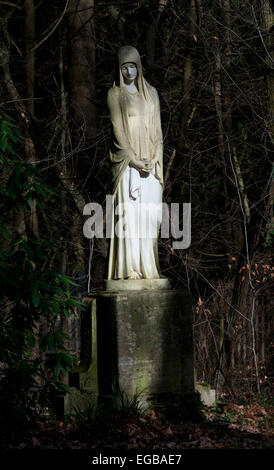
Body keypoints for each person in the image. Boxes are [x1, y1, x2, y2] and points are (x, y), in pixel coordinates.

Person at [107, 45, 164, 280]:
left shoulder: (151, 93)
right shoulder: (115, 95)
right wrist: (134, 162)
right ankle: (129, 269)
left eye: (132, 66)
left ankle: (149, 268)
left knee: (150, 219)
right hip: (128, 166)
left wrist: (155, 157)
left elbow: (159, 131)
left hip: (151, 163)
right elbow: (118, 132)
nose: (129, 72)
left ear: (139, 67)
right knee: (129, 218)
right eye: (124, 67)